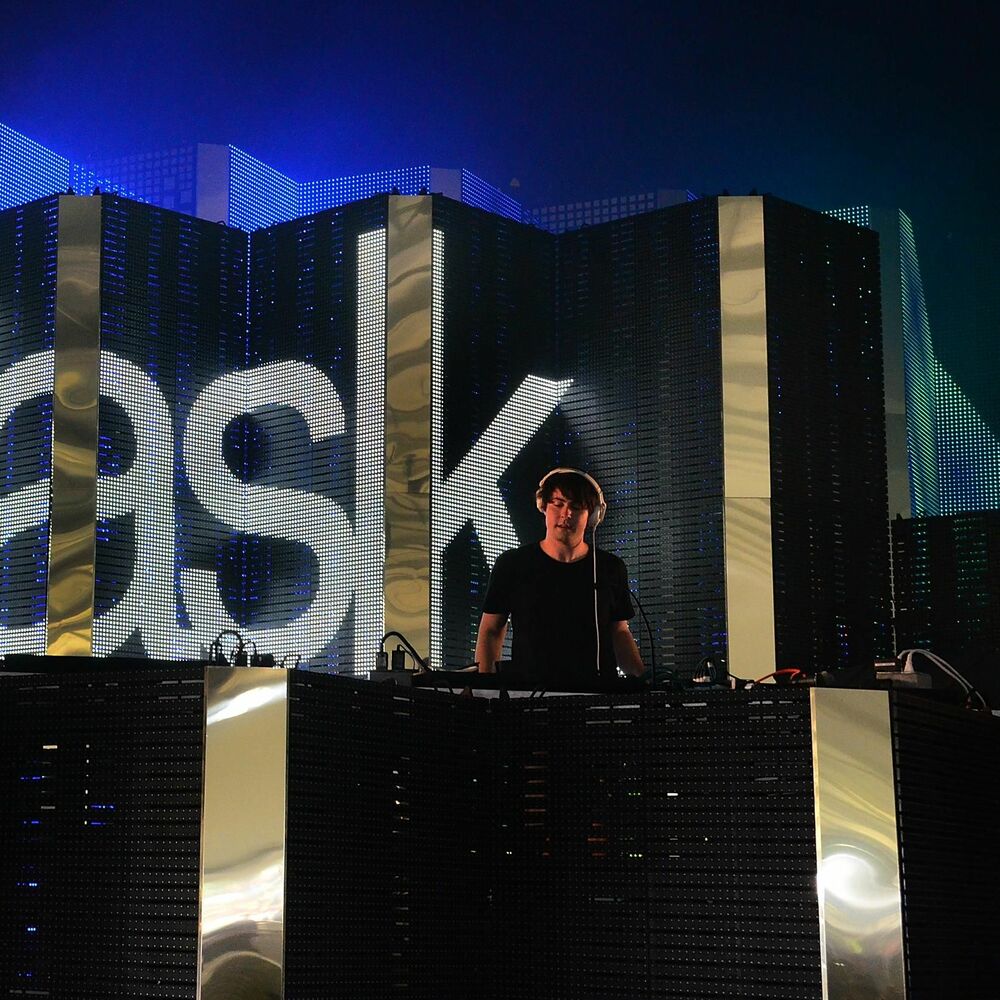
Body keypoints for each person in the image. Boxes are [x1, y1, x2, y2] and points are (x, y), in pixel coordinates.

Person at [474, 468, 645, 688]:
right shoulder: (512, 564)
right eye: (558, 503)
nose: (567, 513)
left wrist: (643, 684)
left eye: (576, 506)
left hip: (598, 694)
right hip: (528, 694)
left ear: (592, 515)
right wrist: (485, 687)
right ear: (543, 506)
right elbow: (491, 630)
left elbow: (619, 631)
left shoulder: (609, 568)